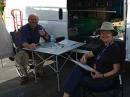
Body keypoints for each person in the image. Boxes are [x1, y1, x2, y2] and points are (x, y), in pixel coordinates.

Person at [63, 22, 121, 97]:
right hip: (94, 72)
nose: (104, 34)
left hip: (105, 80)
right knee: (77, 69)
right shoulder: (103, 46)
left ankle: (66, 95)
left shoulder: (115, 49)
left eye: (107, 32)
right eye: (102, 32)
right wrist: (84, 57)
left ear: (112, 34)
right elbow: (88, 54)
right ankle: (66, 95)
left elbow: (116, 70)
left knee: (77, 79)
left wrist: (101, 75)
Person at [15, 14, 50, 84]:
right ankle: (24, 75)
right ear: (28, 21)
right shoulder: (24, 28)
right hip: (24, 48)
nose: (34, 21)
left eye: (35, 20)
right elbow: (23, 42)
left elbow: (48, 38)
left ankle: (37, 71)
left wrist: (44, 35)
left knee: (43, 54)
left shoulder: (39, 27)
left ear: (37, 21)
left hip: (35, 48)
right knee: (20, 56)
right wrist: (29, 46)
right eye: (32, 19)